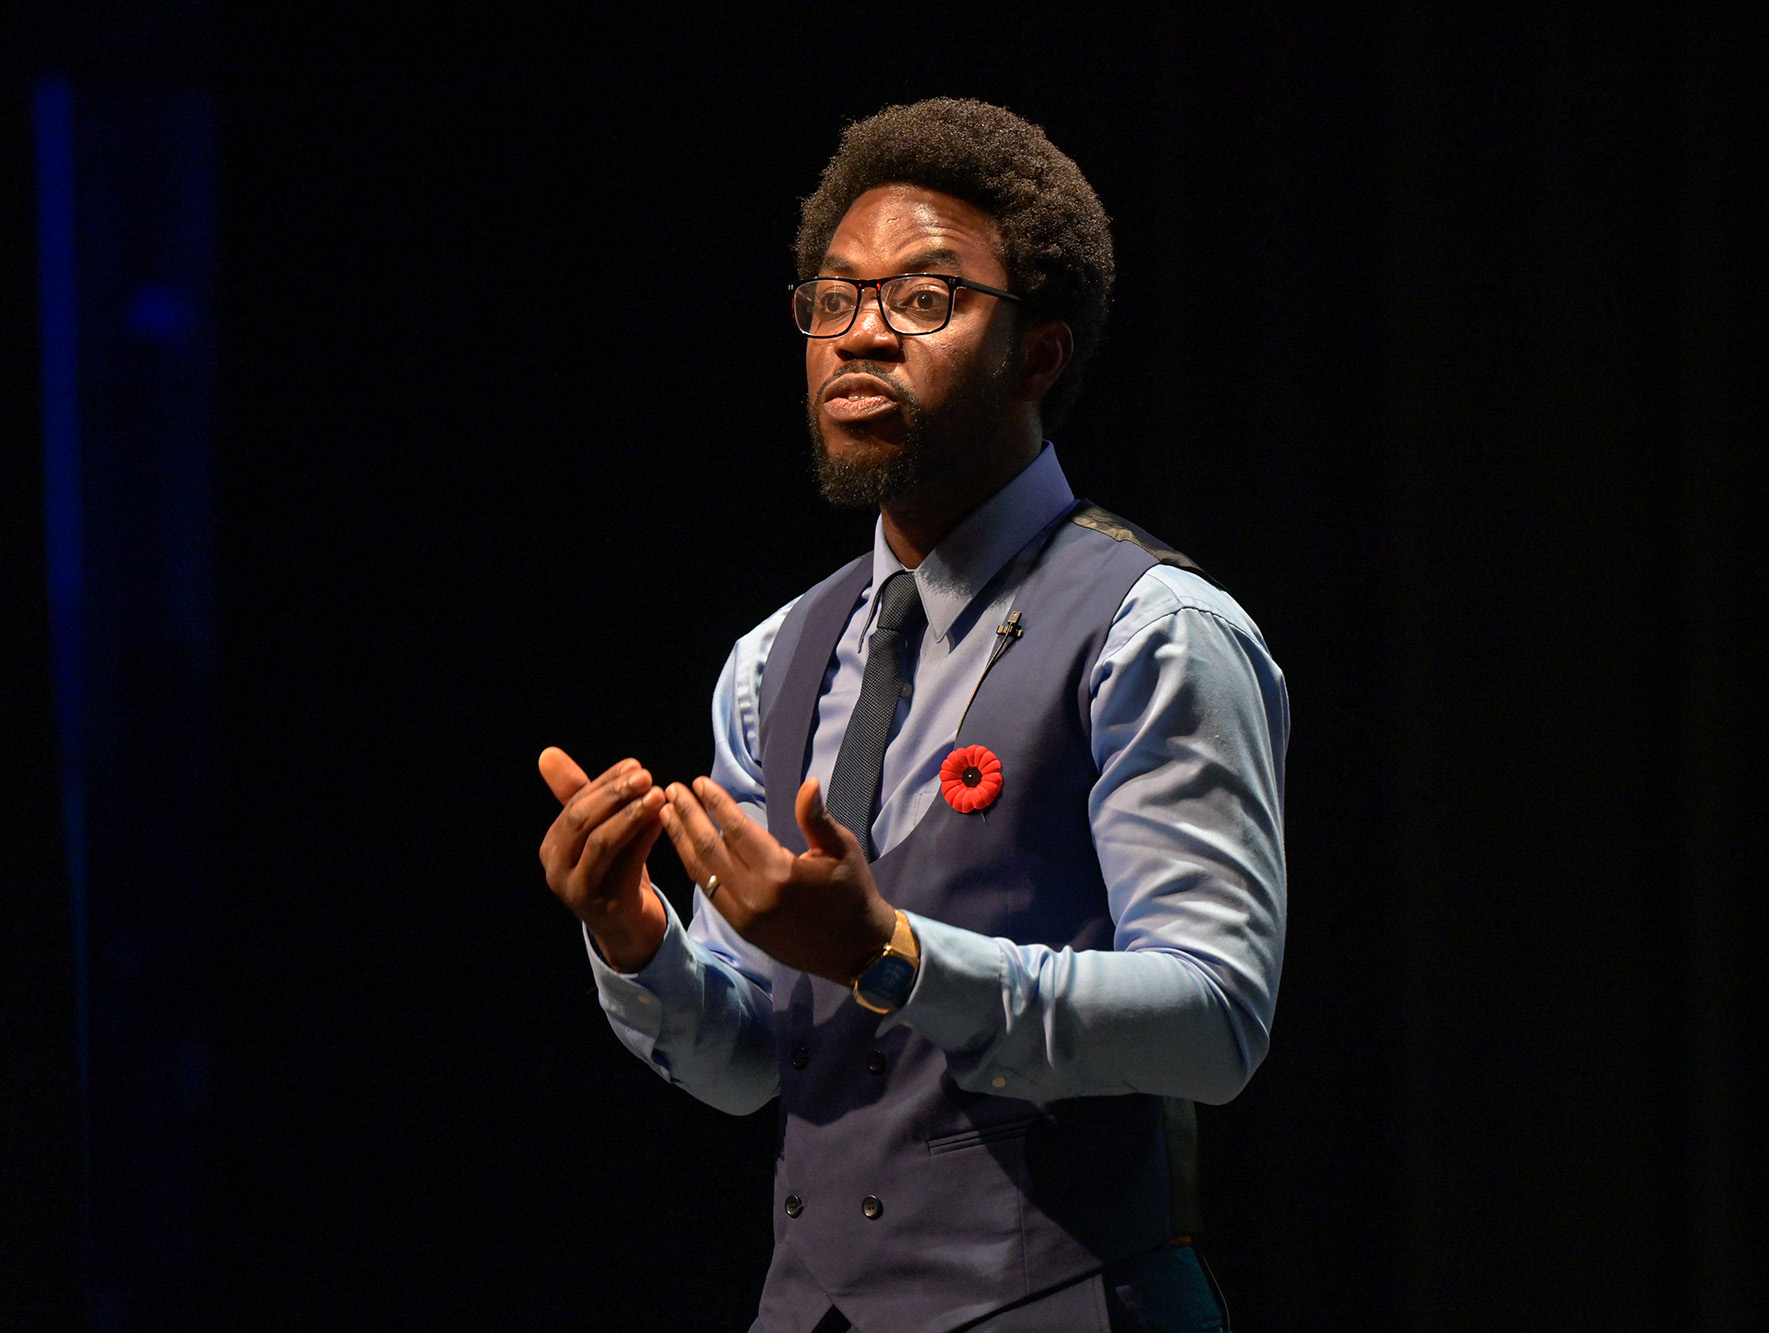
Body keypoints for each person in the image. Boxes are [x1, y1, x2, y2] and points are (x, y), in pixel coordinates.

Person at [538, 98, 1286, 1333]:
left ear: (1036, 355)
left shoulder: (1150, 628)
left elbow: (1213, 1020)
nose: (859, 338)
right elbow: (743, 1069)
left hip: (1066, 1301)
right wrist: (634, 940)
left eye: (921, 301)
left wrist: (892, 951)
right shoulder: (771, 662)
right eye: (832, 299)